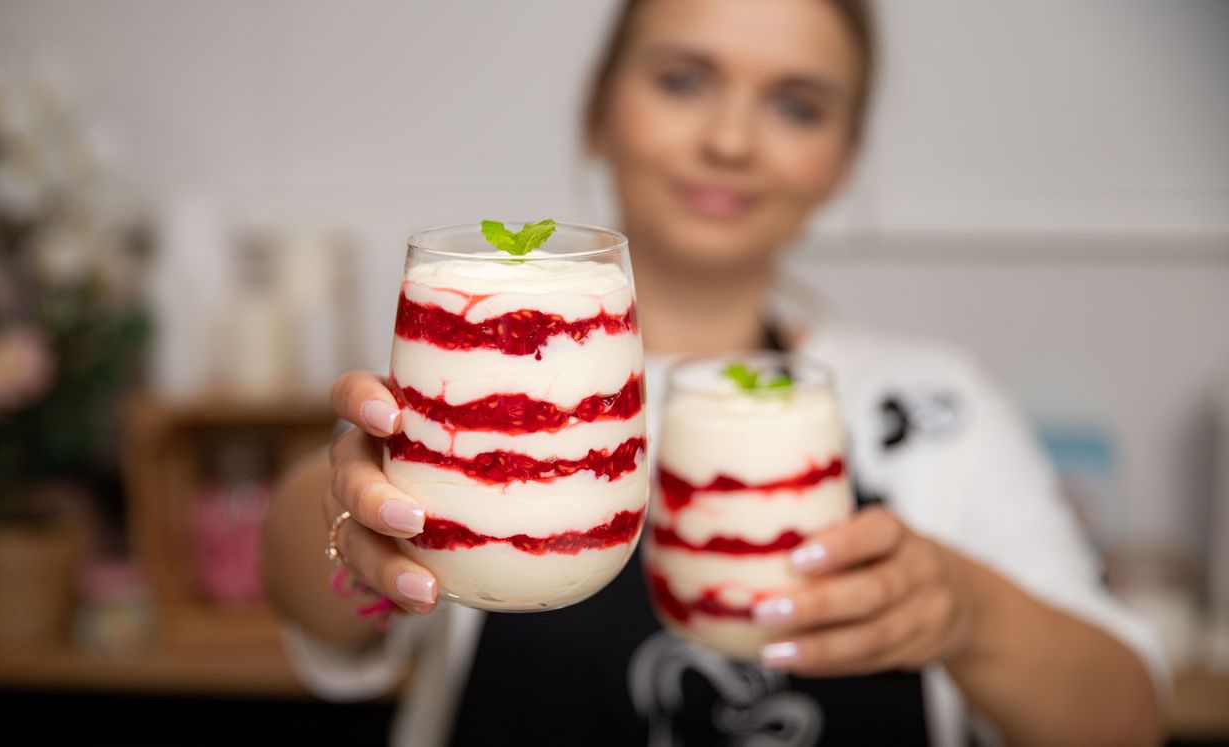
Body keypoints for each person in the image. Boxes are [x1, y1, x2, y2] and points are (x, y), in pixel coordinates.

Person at [263, 1, 1166, 744]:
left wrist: (969, 613)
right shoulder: (487, 359)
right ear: (598, 109)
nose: (731, 140)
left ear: (843, 161)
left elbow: (1127, 718)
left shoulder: (933, 405)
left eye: (797, 105)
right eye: (684, 80)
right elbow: (315, 606)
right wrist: (351, 514)